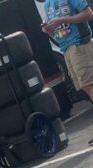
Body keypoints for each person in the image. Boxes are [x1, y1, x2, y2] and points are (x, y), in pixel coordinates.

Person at [42, 0, 93, 143]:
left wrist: (63, 19)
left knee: (89, 85)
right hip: (66, 49)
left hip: (79, 44)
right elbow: (56, 33)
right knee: (85, 87)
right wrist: (48, 29)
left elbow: (89, 13)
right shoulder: (47, 5)